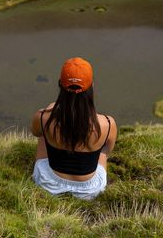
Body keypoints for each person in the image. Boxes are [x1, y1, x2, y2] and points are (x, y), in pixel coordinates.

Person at [30, 57, 117, 200]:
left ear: (60, 84)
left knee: (43, 134)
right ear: (92, 85)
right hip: (89, 190)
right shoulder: (107, 123)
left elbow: (35, 132)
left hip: (49, 185)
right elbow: (107, 150)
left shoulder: (43, 117)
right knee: (101, 150)